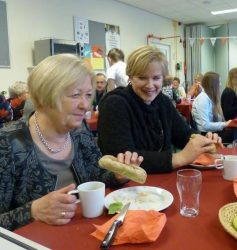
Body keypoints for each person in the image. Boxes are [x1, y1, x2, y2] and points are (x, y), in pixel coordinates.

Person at [0, 54, 143, 231]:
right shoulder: (7, 143)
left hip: (83, 233)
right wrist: (33, 210)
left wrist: (117, 175)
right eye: (75, 95)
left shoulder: (79, 130)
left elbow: (96, 176)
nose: (86, 105)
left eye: (89, 95)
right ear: (45, 97)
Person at [98, 45, 221, 174]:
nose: (150, 85)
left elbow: (184, 135)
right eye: (141, 77)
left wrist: (204, 141)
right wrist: (179, 158)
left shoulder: (163, 102)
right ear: (130, 77)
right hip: (126, 189)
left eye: (156, 78)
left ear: (163, 78)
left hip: (162, 184)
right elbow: (121, 157)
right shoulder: (115, 103)